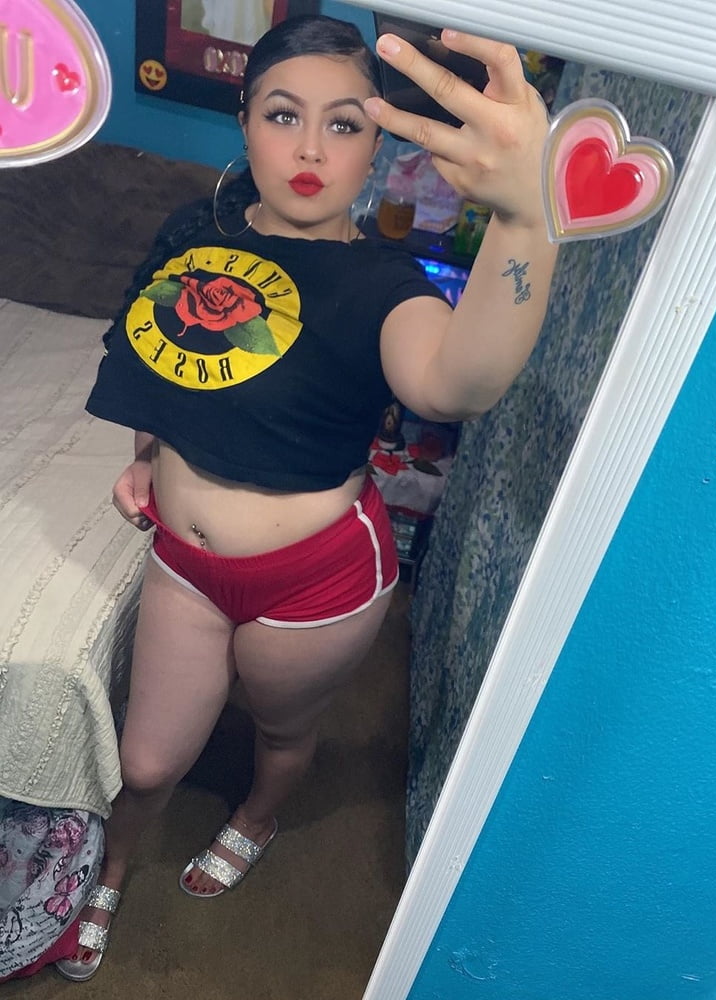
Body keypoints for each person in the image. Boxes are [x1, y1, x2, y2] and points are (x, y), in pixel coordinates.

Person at [55, 13, 557, 981]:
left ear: (375, 145)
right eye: (284, 115)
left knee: (281, 731)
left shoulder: (381, 282)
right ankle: (110, 871)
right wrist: (146, 454)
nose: (311, 150)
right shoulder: (191, 230)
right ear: (245, 120)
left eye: (344, 124)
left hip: (317, 579)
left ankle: (257, 815)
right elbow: (153, 357)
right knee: (147, 763)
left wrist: (524, 221)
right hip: (185, 564)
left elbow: (454, 382)